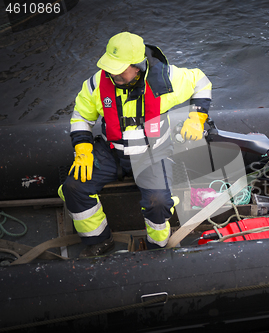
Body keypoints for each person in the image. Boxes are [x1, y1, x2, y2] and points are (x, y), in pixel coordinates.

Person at [58, 32, 212, 257]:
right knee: (73, 188)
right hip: (112, 152)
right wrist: (82, 149)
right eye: (110, 67)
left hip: (154, 153)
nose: (112, 73)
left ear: (137, 66)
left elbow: (201, 81)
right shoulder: (97, 84)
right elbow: (81, 116)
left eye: (119, 69)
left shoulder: (167, 79)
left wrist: (197, 117)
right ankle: (99, 241)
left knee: (158, 201)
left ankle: (156, 247)